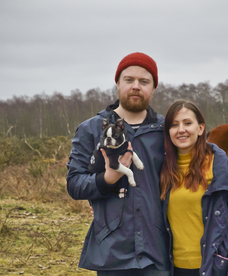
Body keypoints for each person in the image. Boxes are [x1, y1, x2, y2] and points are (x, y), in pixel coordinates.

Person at [66, 52, 170, 275]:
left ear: (153, 88)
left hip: (157, 249)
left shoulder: (166, 130)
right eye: (129, 80)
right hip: (112, 251)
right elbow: (74, 184)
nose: (136, 86)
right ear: (117, 83)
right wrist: (105, 180)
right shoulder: (91, 130)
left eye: (144, 81)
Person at [160, 100, 228, 276]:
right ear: (168, 131)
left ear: (200, 128)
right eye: (174, 125)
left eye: (187, 123)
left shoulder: (219, 165)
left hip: (215, 267)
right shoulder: (160, 169)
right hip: (173, 269)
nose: (181, 129)